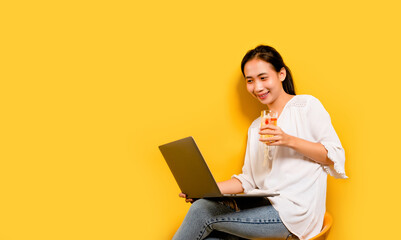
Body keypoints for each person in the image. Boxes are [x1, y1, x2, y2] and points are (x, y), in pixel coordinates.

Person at [172, 45, 347, 240]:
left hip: (294, 215)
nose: (257, 87)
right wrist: (205, 190)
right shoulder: (257, 127)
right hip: (264, 207)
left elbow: (334, 155)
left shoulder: (306, 106)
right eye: (250, 81)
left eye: (263, 78)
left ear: (281, 74)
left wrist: (288, 140)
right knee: (209, 225)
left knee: (202, 213)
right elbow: (248, 180)